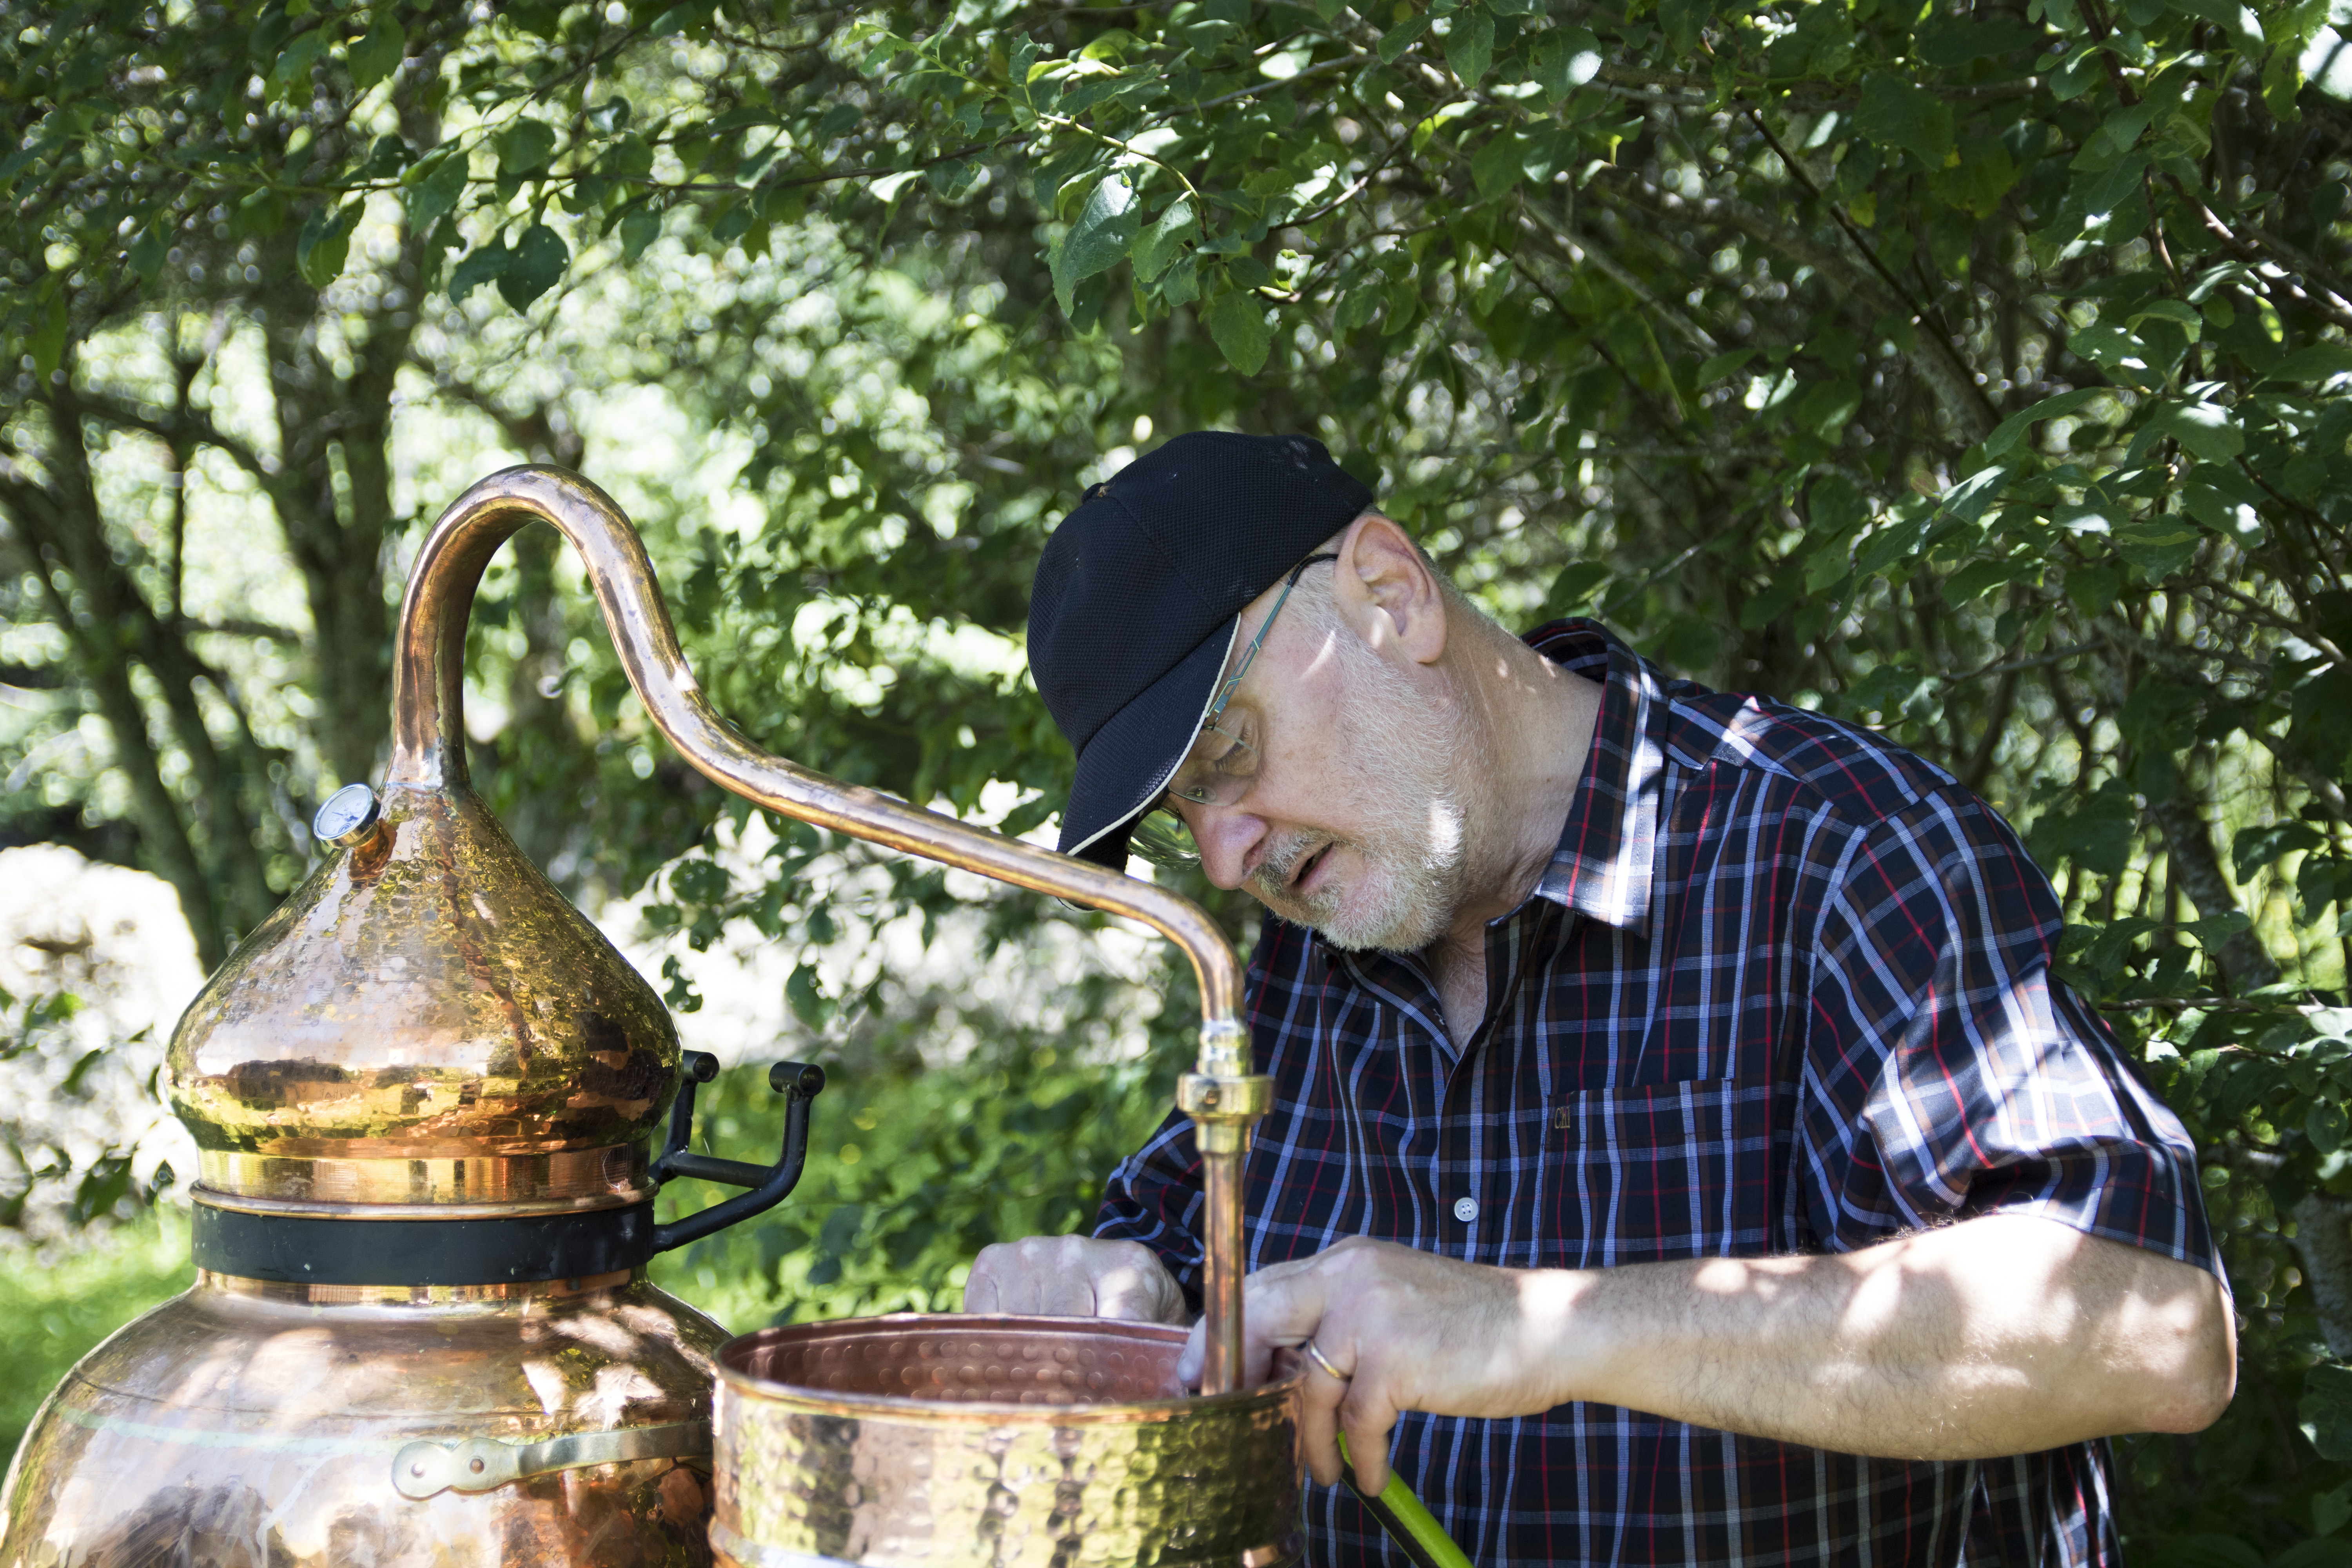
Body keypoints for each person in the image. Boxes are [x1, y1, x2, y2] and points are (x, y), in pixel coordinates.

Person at [968, 430, 2234, 1564]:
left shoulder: (1835, 855)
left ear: (1387, 596)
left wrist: (1547, 1329)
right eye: (1184, 814)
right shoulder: (1312, 953)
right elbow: (1182, 1261)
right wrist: (1114, 1290)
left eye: (1229, 754)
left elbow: (2155, 1327)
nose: (1231, 852)